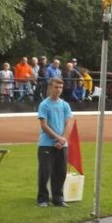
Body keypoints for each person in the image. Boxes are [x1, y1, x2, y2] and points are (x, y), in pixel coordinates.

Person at [37, 77, 73, 207]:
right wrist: (58, 138)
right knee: (45, 172)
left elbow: (68, 123)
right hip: (46, 144)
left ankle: (58, 198)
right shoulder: (44, 105)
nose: (58, 90)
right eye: (56, 87)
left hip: (62, 145)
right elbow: (44, 125)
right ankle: (43, 199)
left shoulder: (65, 105)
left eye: (60, 87)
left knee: (60, 172)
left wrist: (63, 140)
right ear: (50, 88)